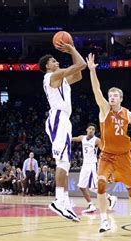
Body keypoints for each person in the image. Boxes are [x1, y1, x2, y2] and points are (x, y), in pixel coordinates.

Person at [86, 53, 131, 232]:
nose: (112, 98)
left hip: (124, 156)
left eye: (115, 96)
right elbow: (96, 90)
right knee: (101, 184)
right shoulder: (104, 110)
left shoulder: (127, 114)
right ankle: (103, 220)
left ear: (121, 99)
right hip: (107, 155)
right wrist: (92, 71)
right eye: (110, 95)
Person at [39, 41, 86, 222]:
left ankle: (65, 202)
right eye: (52, 60)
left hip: (63, 119)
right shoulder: (51, 76)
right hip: (58, 118)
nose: (56, 61)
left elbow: (79, 74)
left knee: (64, 163)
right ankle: (59, 200)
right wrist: (72, 48)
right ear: (47, 67)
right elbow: (81, 64)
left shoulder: (61, 79)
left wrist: (71, 52)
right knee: (63, 162)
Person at [72, 123, 117, 213]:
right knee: (81, 186)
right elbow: (73, 139)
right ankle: (91, 205)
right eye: (90, 129)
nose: (91, 130)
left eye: (93, 129)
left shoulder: (97, 140)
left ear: (94, 131)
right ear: (86, 130)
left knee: (93, 187)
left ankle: (111, 197)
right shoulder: (82, 138)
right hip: (85, 165)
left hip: (92, 165)